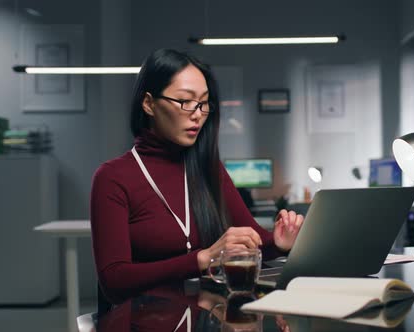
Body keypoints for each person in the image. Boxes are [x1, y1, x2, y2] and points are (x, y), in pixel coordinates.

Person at [90, 48, 304, 306]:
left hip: (203, 315)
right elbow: (114, 281)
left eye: (203, 103)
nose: (197, 114)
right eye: (185, 101)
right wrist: (203, 259)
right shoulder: (112, 178)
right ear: (148, 104)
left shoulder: (208, 169)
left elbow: (254, 241)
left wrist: (279, 242)